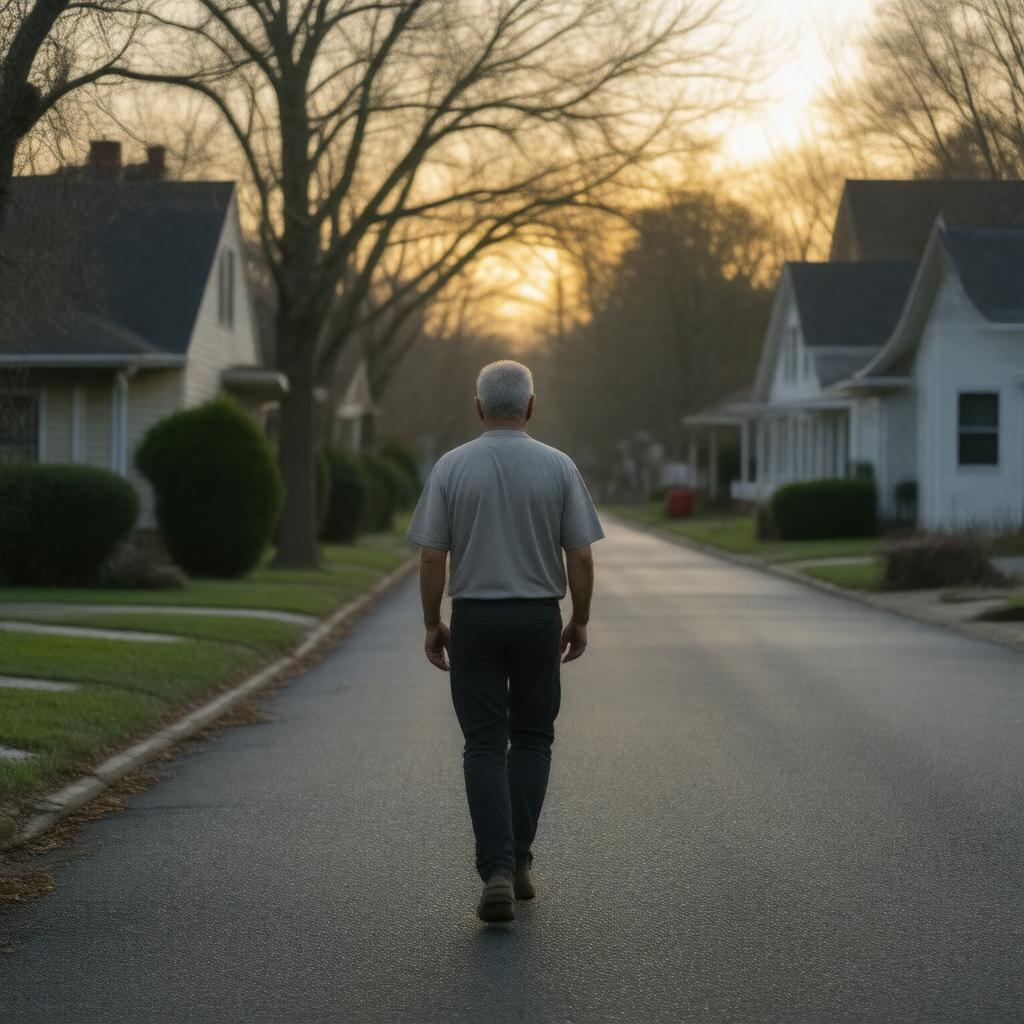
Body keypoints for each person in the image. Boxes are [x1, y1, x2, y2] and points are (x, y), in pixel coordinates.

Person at [406, 359, 604, 924]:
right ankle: (517, 862)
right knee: (534, 739)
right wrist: (580, 617)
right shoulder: (558, 466)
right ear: (531, 406)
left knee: (485, 745)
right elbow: (582, 555)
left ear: (478, 408)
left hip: (475, 619)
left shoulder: (451, 467)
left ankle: (494, 868)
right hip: (539, 616)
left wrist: (431, 622)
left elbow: (430, 555)